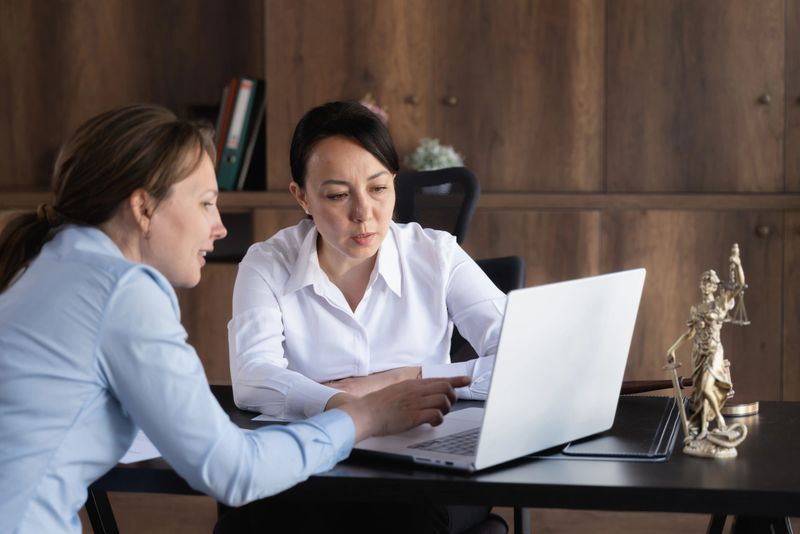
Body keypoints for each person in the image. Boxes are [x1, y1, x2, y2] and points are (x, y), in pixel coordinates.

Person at [0, 104, 467, 534]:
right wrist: (362, 416)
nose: (220, 226)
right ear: (144, 207)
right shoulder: (122, 291)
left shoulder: (51, 267)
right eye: (205, 202)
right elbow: (233, 471)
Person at [227, 101, 507, 532]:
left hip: (424, 464)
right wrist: (351, 409)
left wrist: (403, 379)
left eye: (378, 189)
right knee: (250, 516)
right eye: (338, 195)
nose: (364, 213)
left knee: (402, 517)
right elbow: (251, 378)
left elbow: (523, 358)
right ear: (301, 196)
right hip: (315, 458)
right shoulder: (266, 264)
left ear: (394, 183)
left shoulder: (438, 255)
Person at [666, 244, 747, 445]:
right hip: (698, 353)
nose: (704, 287)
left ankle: (719, 420)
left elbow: (739, 286)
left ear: (714, 286)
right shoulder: (696, 308)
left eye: (708, 284)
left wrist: (737, 265)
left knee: (706, 386)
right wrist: (672, 349)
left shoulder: (719, 303)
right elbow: (690, 332)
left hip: (713, 351)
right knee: (700, 393)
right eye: (702, 283)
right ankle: (702, 430)